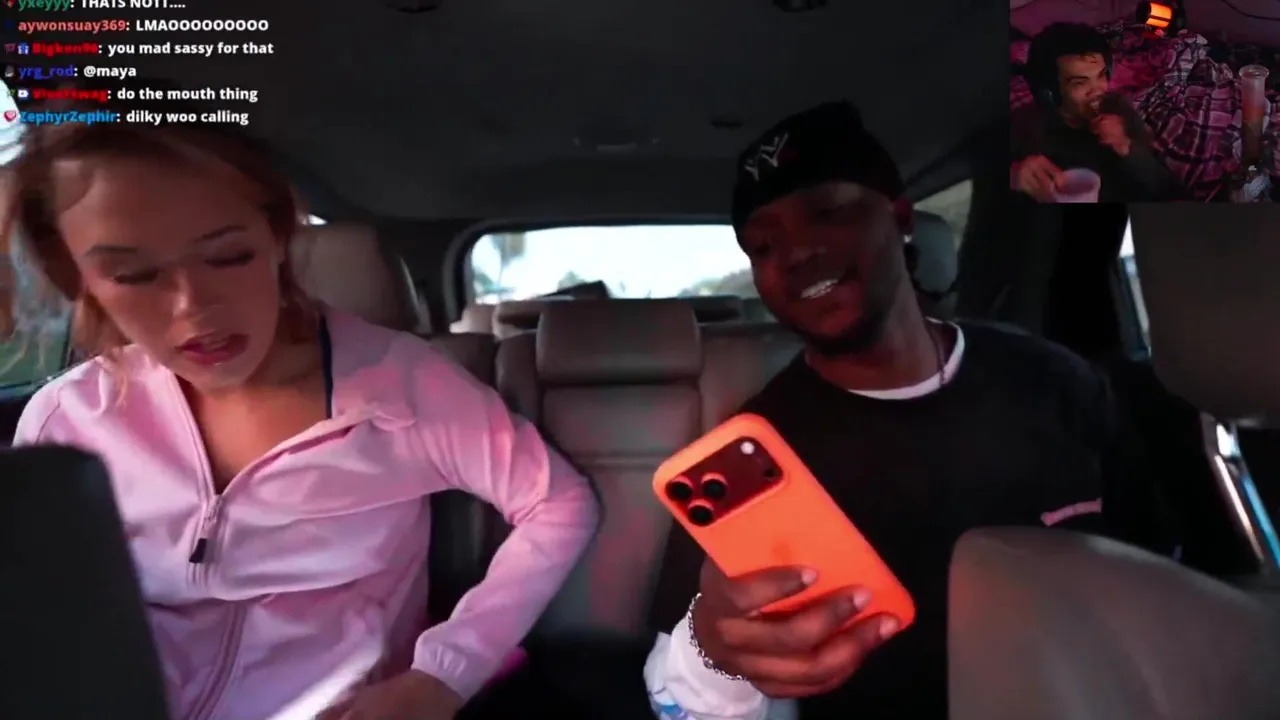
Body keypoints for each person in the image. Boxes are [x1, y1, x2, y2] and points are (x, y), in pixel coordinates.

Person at [1, 102, 599, 720]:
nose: (192, 307)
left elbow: (557, 501)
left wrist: (443, 675)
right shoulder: (67, 419)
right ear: (74, 276)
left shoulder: (402, 388)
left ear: (277, 235)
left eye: (228, 256)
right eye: (133, 274)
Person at [642, 101, 1176, 719]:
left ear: (898, 217)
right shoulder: (749, 458)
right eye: (763, 246)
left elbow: (1159, 573)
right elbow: (673, 696)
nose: (797, 252)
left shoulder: (1057, 379)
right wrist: (713, 651)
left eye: (829, 212)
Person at [1011, 22, 1184, 202]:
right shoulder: (1025, 125)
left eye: (1101, 75)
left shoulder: (1117, 108)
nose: (1097, 90)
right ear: (1049, 93)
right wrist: (1013, 176)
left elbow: (1166, 187)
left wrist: (1125, 146)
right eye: (1080, 82)